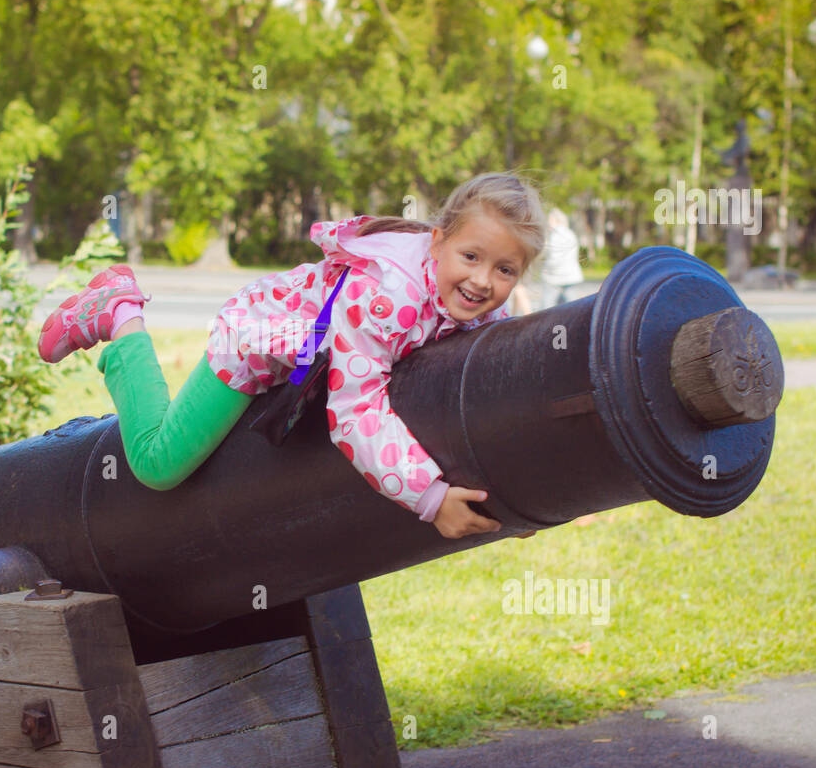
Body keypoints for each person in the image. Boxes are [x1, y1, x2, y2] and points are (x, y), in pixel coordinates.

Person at [37, 172, 547, 540]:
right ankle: (120, 313)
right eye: (472, 257)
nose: (483, 280)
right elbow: (355, 411)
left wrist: (511, 497)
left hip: (310, 363)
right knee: (159, 462)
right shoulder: (387, 299)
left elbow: (485, 395)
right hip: (259, 344)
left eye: (505, 270)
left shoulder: (477, 309)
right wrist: (430, 498)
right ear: (437, 241)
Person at [535, 208, 583, 309]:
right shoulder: (570, 234)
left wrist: (545, 269)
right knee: (571, 307)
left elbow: (554, 258)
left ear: (555, 220)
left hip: (555, 278)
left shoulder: (555, 236)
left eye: (550, 220)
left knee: (547, 307)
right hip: (571, 275)